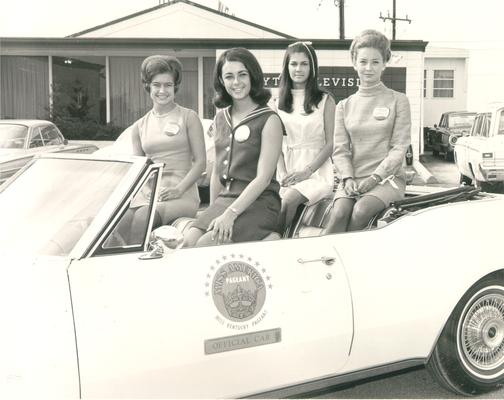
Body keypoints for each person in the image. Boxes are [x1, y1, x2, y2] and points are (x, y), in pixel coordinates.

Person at [184, 47, 284, 246]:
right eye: (229, 76)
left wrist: (229, 214)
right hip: (226, 199)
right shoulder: (221, 117)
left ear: (253, 76)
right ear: (221, 81)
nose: (236, 82)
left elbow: (263, 179)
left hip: (260, 203)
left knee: (206, 244)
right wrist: (214, 210)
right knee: (188, 242)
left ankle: (268, 237)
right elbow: (216, 173)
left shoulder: (269, 119)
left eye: (242, 75)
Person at [325, 29, 411, 233]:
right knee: (338, 214)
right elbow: (340, 151)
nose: (368, 68)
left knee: (361, 211)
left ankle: (348, 257)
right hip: (353, 178)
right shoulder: (344, 106)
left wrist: (375, 178)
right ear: (354, 63)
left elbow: (399, 148)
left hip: (387, 180)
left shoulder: (398, 100)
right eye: (363, 62)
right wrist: (347, 178)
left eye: (375, 62)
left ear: (384, 63)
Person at [125, 55, 206, 241]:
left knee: (142, 219)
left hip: (182, 195)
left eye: (168, 85)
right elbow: (139, 170)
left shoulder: (188, 117)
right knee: (117, 222)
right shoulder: (139, 126)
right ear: (148, 86)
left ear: (175, 87)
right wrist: (145, 194)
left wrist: (178, 189)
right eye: (156, 85)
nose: (162, 90)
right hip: (150, 195)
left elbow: (201, 163)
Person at [275, 41, 335, 232]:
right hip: (287, 170)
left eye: (304, 64)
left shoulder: (325, 99)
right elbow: (275, 144)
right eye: (293, 64)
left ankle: (277, 245)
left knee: (289, 199)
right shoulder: (277, 102)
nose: (298, 69)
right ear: (286, 67)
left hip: (317, 172)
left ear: (312, 67)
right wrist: (283, 173)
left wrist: (306, 172)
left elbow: (331, 143)